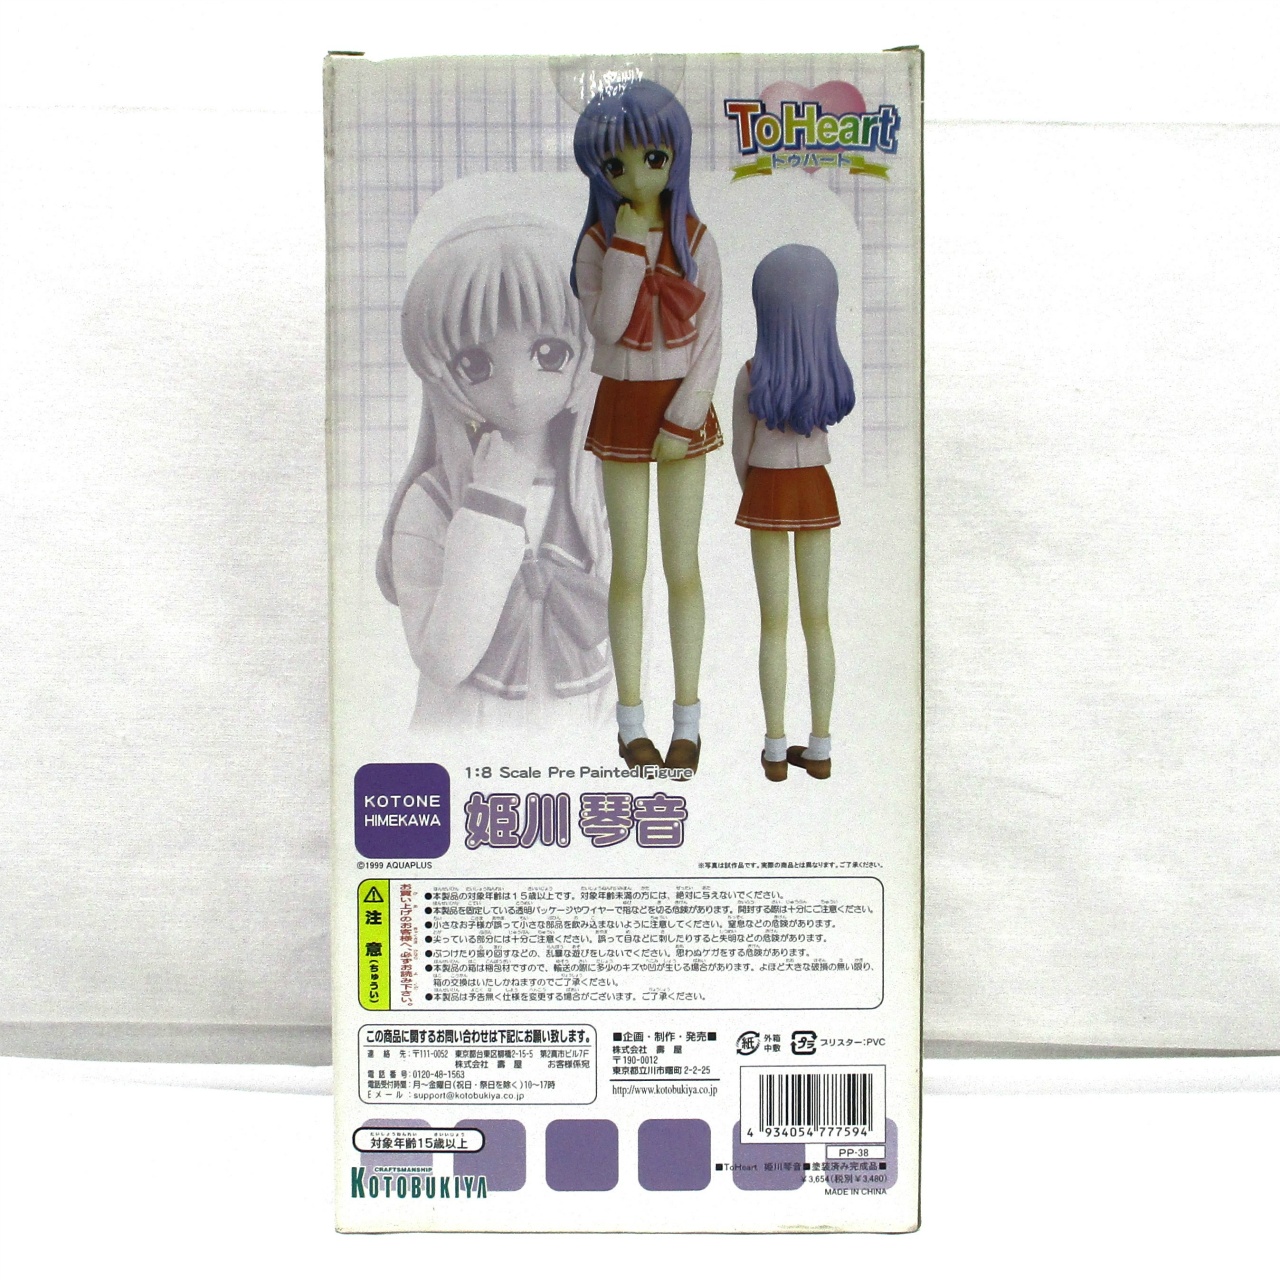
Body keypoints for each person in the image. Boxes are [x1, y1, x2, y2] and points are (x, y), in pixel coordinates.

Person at [378, 218, 611, 731]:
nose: (516, 390)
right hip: (463, 751)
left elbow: (630, 652)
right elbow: (445, 661)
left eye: (550, 354)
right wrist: (493, 504)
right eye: (475, 364)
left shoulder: (597, 493)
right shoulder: (432, 500)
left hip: (580, 748)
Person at [571, 78, 722, 772]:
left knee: (682, 566)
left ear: (674, 157)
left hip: (682, 407)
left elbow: (711, 339)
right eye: (617, 165)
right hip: (624, 405)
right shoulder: (597, 244)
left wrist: (685, 420)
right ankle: (631, 723)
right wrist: (628, 249)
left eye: (653, 159)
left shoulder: (697, 238)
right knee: (627, 568)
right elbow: (605, 329)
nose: (636, 177)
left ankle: (688, 722)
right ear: (600, 171)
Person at [731, 245, 855, 781]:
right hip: (815, 490)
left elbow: (740, 450)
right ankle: (821, 746)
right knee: (818, 621)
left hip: (766, 488)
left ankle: (776, 748)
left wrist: (755, 490)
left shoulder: (752, 374)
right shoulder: (830, 374)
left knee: (773, 624)